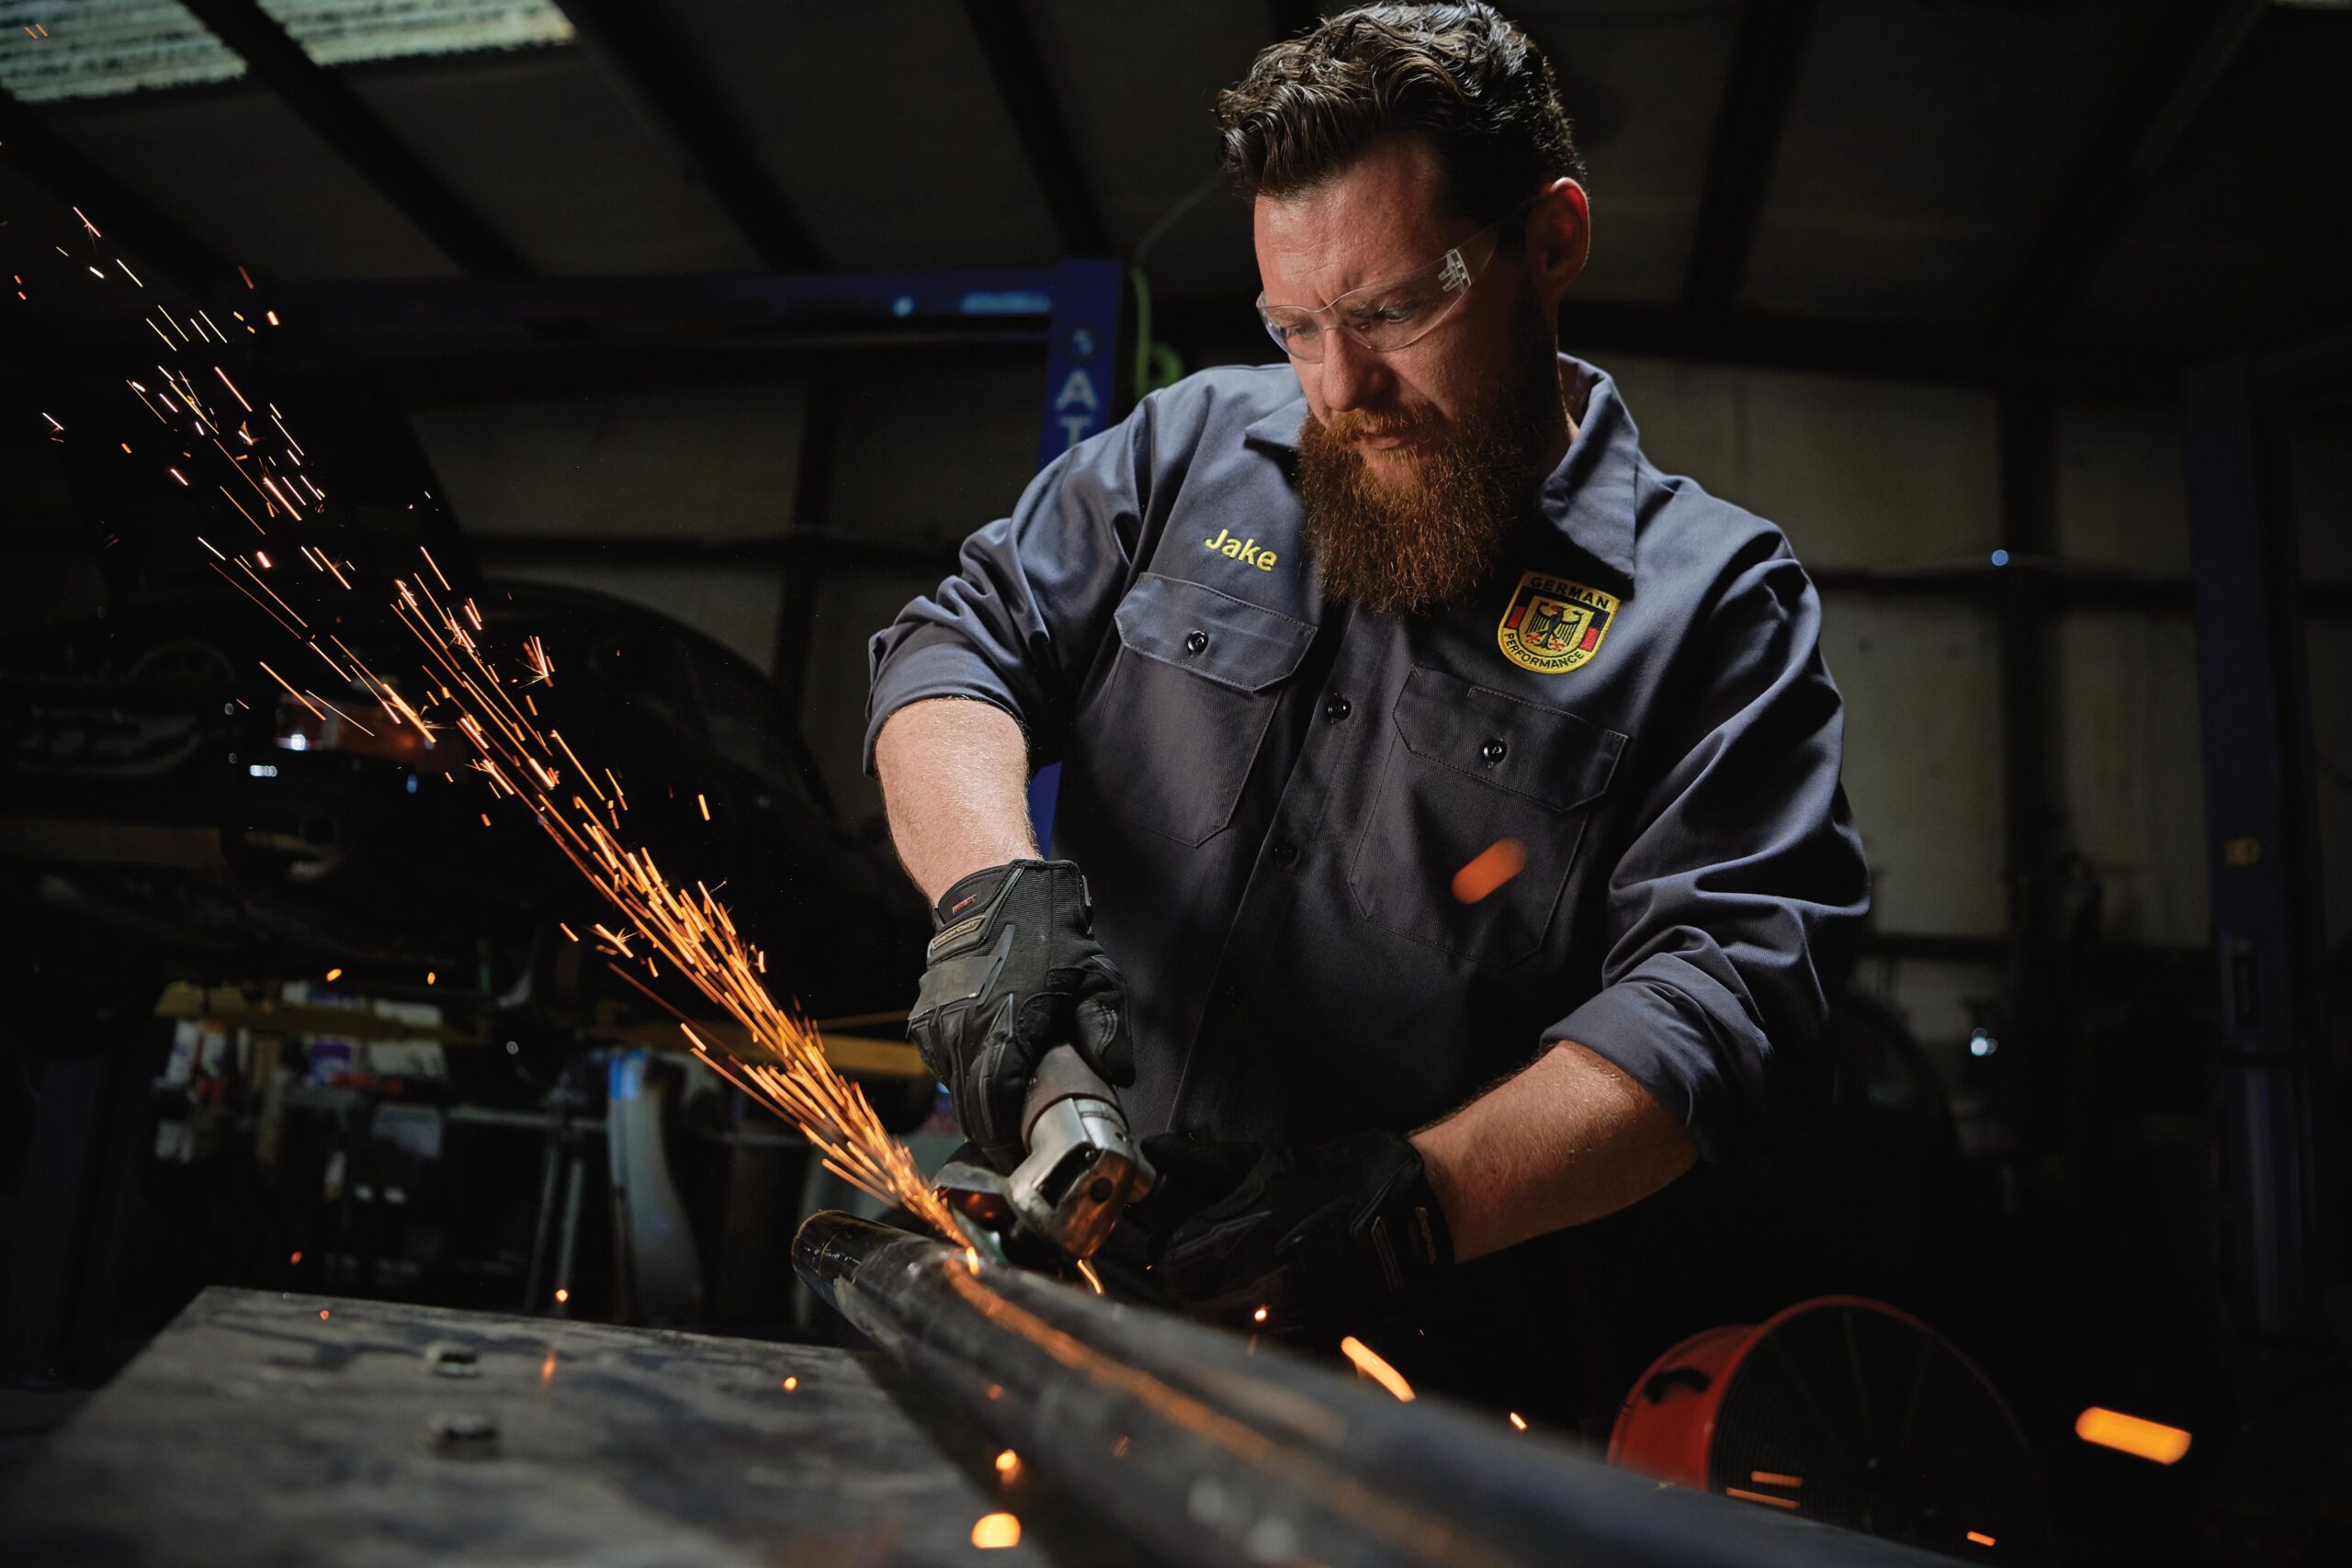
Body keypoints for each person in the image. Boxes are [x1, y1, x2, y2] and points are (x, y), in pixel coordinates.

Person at [865, 2, 1868, 1427]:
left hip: (1400, 1365)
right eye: (1296, 326)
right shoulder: (1187, 449)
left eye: (1399, 310)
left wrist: (1410, 1204)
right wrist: (987, 898)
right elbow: (959, 648)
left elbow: (1733, 990)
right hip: (1030, 1268)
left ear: (1553, 242)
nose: (1341, 390)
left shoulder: (1712, 604)